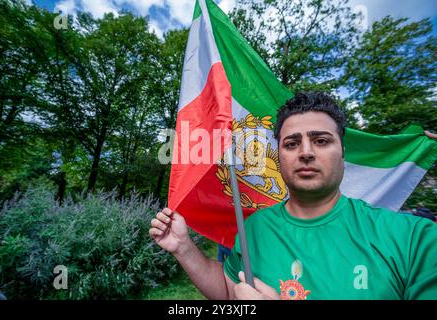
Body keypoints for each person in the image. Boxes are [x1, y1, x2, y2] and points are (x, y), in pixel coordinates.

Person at [149, 91, 437, 300]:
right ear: (279, 156)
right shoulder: (254, 228)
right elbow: (229, 292)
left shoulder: (416, 240)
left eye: (321, 140)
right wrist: (184, 248)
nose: (306, 152)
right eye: (292, 143)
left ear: (343, 152)